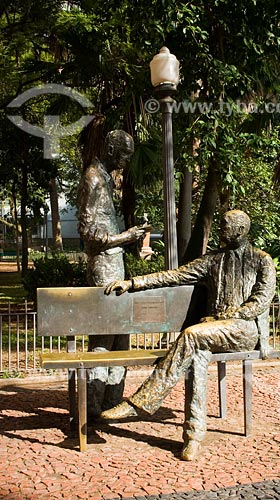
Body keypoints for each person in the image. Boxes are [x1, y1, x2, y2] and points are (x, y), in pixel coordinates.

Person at [100, 210, 276, 461]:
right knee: (196, 355)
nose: (220, 230)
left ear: (241, 231)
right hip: (210, 334)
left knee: (192, 336)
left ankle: (140, 402)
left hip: (244, 330)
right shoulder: (213, 260)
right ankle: (193, 437)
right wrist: (133, 283)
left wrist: (229, 316)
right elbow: (175, 275)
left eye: (225, 226)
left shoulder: (261, 260)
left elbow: (261, 300)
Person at [77, 129, 146, 418]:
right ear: (109, 149)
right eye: (123, 155)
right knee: (105, 338)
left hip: (114, 263)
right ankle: (93, 405)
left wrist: (128, 235)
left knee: (122, 336)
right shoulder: (93, 179)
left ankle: (111, 402)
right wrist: (126, 237)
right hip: (103, 264)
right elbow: (89, 233)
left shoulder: (106, 179)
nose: (125, 162)